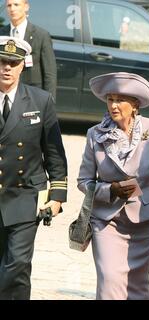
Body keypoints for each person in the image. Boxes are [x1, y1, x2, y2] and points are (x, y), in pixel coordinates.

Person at [77, 72, 149, 300]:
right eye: (110, 99)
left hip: (146, 219)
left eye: (120, 100)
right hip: (106, 220)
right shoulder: (95, 134)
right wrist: (109, 190)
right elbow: (83, 182)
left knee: (138, 283)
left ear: (135, 104)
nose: (114, 105)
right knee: (110, 281)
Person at [0, 36, 67, 299]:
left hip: (24, 196)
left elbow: (54, 154)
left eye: (13, 63)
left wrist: (57, 197)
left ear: (22, 66)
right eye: (2, 61)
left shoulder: (40, 101)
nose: (7, 68)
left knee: (16, 264)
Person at [0, 0, 57, 98]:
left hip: (31, 96)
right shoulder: (1, 34)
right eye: (9, 5)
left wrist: (49, 102)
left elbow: (50, 74)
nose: (12, 9)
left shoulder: (41, 35)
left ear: (26, 7)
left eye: (16, 4)